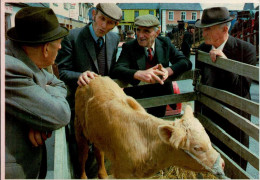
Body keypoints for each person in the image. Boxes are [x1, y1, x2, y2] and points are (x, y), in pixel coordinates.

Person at [55, 3, 122, 178]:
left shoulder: (114, 39)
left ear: (115, 25)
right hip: (80, 104)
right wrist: (79, 75)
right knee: (81, 141)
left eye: (110, 23)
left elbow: (111, 69)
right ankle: (82, 172)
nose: (104, 26)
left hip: (102, 103)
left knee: (102, 137)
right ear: (93, 15)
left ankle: (101, 169)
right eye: (102, 19)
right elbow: (61, 71)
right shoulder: (72, 37)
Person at [5, 7, 70, 179]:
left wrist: (38, 115)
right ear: (46, 48)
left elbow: (59, 83)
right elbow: (60, 114)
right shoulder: (9, 69)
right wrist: (43, 112)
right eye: (59, 42)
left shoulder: (24, 59)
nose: (61, 47)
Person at [195, 7, 256, 175]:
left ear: (224, 29)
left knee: (235, 169)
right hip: (210, 119)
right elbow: (199, 85)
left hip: (235, 122)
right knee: (211, 168)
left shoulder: (245, 50)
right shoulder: (202, 49)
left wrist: (226, 64)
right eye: (203, 28)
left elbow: (242, 89)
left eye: (208, 28)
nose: (203, 32)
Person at [111, 14, 192, 117]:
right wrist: (138, 74)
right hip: (137, 101)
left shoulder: (165, 43)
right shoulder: (129, 47)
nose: (140, 35)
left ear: (157, 33)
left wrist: (168, 70)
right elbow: (117, 69)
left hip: (160, 99)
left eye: (146, 31)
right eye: (138, 30)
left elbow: (186, 62)